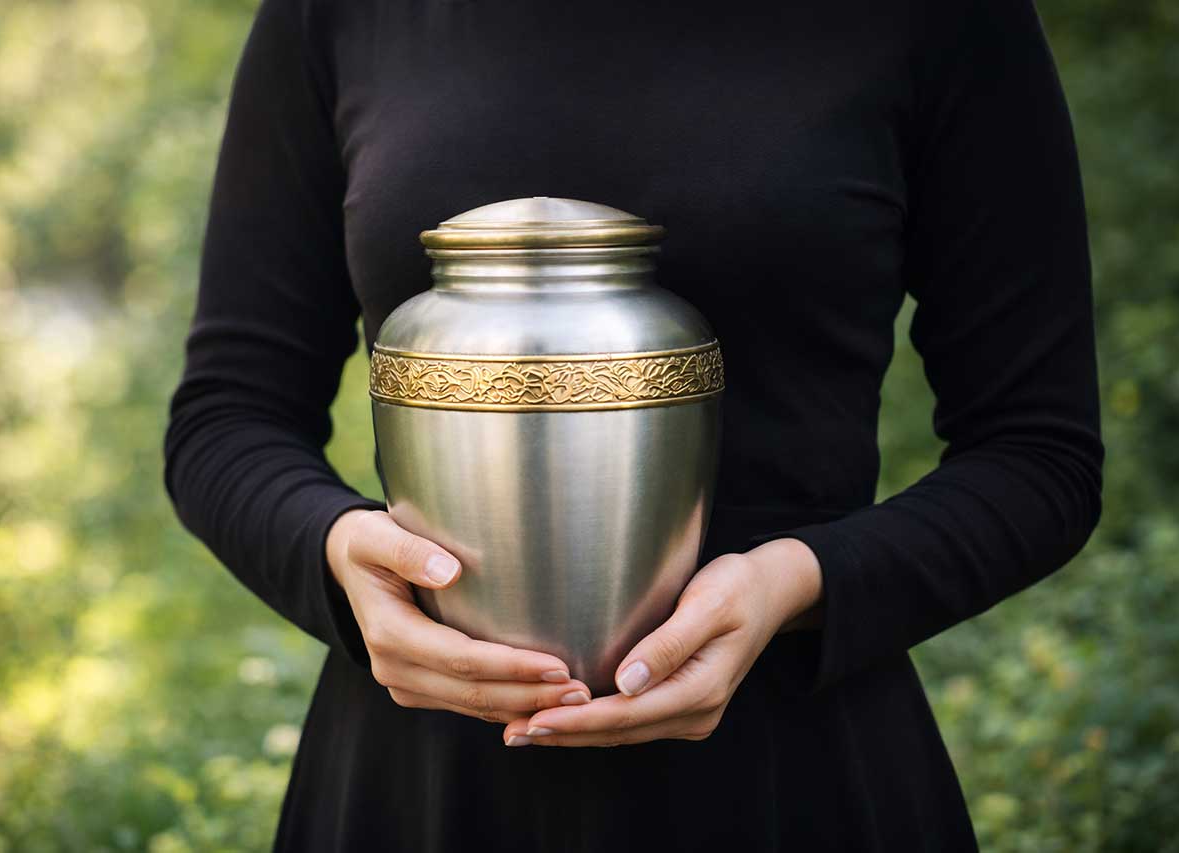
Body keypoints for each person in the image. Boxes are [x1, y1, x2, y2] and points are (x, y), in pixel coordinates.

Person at [163, 0, 1103, 849]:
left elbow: (1039, 455)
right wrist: (339, 556)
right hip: (416, 785)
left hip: (795, 773)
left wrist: (799, 584)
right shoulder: (339, 14)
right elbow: (227, 416)